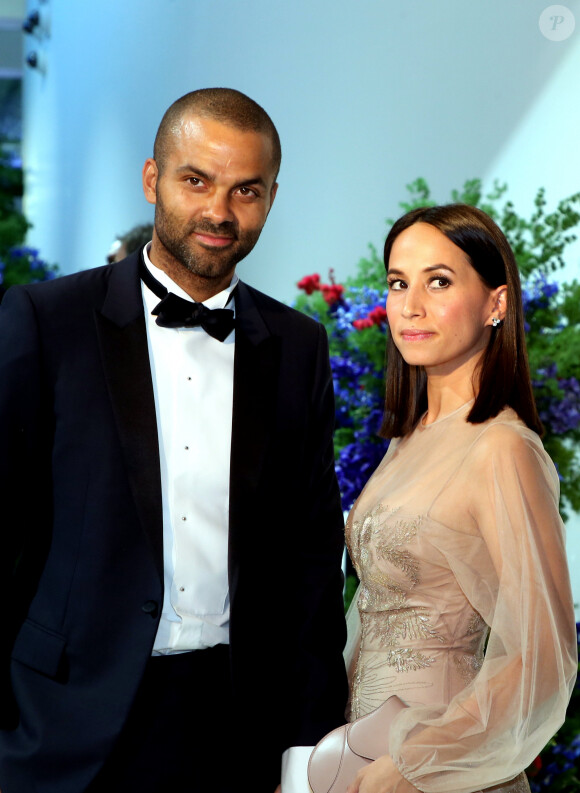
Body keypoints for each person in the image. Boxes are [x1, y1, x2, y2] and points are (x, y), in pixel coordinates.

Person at [0, 88, 348, 793]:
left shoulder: (298, 347)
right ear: (153, 179)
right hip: (59, 726)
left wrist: (307, 744)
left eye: (245, 190)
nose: (220, 211)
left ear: (272, 197)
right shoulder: (47, 320)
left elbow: (311, 560)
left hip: (234, 727)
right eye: (197, 180)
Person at [341, 204, 577, 793]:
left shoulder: (502, 448)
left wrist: (413, 765)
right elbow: (370, 614)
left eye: (438, 281)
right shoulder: (407, 440)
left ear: (496, 303)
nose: (410, 306)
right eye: (398, 284)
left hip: (439, 769)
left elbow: (543, 656)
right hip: (358, 755)